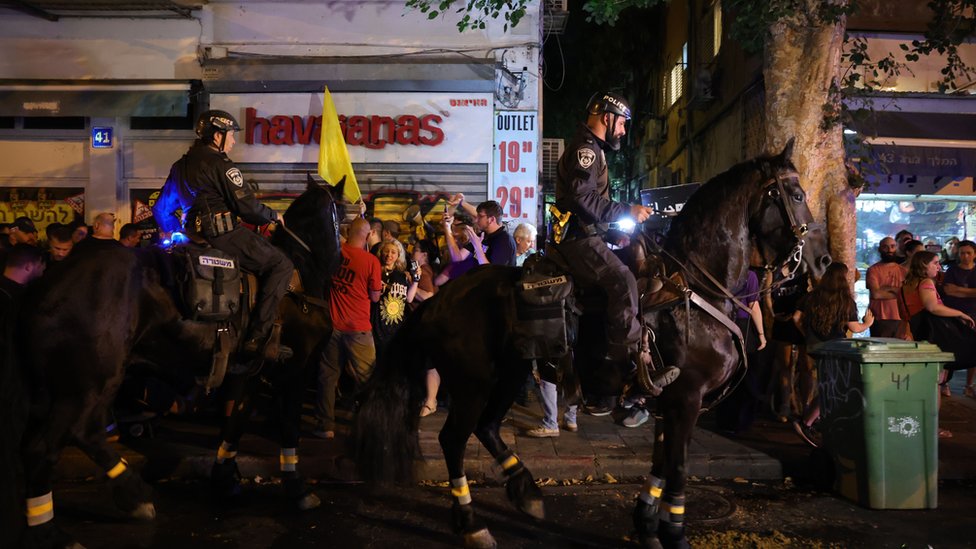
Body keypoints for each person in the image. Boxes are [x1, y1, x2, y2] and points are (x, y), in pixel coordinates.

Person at [551, 90, 678, 396]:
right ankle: (633, 367)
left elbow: (585, 203)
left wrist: (612, 233)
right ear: (606, 117)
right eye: (621, 123)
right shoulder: (587, 150)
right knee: (623, 281)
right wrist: (626, 210)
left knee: (634, 265)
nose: (622, 130)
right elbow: (582, 199)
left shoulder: (592, 148)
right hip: (577, 241)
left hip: (588, 236)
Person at [158, 109, 294, 361]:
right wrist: (273, 216)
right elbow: (247, 208)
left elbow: (161, 209)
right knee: (281, 264)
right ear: (217, 135)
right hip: (224, 235)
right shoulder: (221, 165)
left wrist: (179, 234)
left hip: (190, 240)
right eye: (231, 135)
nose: (233, 141)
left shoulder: (180, 166)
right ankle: (257, 338)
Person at [791, 263, 874, 447]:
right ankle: (806, 422)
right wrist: (867, 323)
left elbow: (796, 318)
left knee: (826, 383)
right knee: (832, 387)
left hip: (815, 348)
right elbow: (855, 328)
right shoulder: (846, 301)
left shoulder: (812, 297)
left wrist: (807, 335)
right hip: (836, 349)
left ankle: (814, 419)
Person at [315, 218, 382, 439]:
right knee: (367, 378)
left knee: (328, 376)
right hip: (359, 328)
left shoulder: (336, 254)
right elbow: (374, 297)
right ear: (369, 234)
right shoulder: (371, 261)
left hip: (333, 326)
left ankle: (326, 426)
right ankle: (372, 425)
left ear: (348, 231)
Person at [901, 251, 976, 416]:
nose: (939, 267)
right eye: (935, 263)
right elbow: (932, 307)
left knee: (928, 381)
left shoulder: (906, 284)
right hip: (932, 337)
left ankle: (926, 424)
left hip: (917, 334)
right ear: (923, 266)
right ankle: (932, 428)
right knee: (934, 383)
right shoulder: (926, 282)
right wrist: (960, 314)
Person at [371, 239, 419, 359]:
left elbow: (409, 299)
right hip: (377, 328)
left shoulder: (403, 275)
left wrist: (416, 281)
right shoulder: (375, 272)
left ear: (398, 256)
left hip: (397, 329)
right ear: (381, 253)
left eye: (393, 252)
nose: (389, 255)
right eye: (386, 251)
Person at [942, 240, 976, 398]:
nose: (966, 256)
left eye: (969, 253)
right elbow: (949, 291)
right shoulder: (952, 271)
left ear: (974, 254)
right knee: (951, 348)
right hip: (954, 314)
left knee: (973, 348)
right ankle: (945, 382)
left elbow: (955, 291)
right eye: (962, 253)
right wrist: (969, 291)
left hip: (973, 313)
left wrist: (959, 290)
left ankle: (969, 385)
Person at [865, 236, 905, 338]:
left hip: (901, 317)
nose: (889, 250)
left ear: (896, 248)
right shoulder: (873, 270)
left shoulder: (903, 270)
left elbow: (906, 293)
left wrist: (885, 289)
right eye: (885, 247)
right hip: (880, 317)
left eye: (892, 246)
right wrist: (898, 292)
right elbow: (876, 294)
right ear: (880, 249)